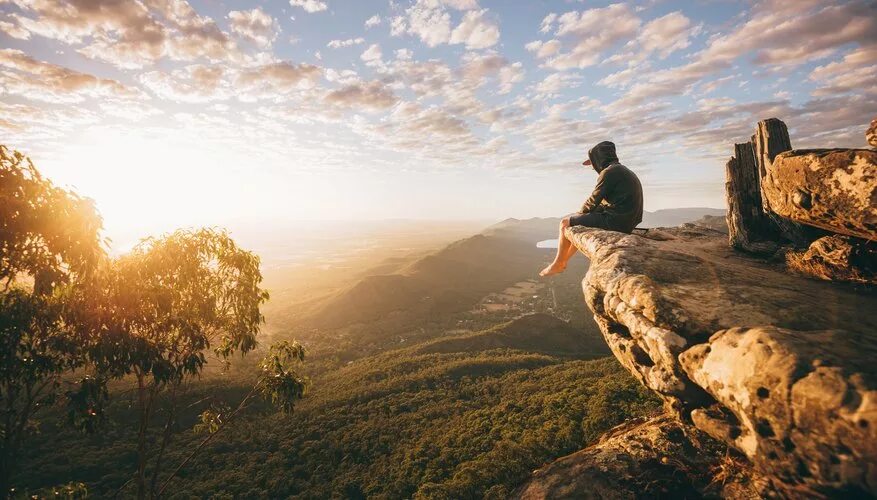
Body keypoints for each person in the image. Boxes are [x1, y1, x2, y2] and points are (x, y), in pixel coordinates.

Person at [540, 141, 643, 277]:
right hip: (628, 220)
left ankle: (558, 263)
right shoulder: (622, 170)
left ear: (599, 160)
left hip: (616, 221)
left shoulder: (609, 172)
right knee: (580, 221)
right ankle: (564, 260)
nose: (592, 168)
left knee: (565, 223)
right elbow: (608, 202)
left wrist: (577, 215)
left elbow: (593, 200)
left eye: (593, 163)